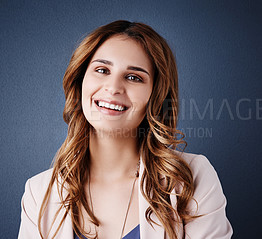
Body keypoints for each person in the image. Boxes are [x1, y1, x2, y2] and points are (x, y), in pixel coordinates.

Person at [18, 20, 233, 239]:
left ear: (155, 95)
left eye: (133, 77)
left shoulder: (192, 178)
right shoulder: (39, 192)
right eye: (102, 70)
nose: (113, 87)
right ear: (80, 80)